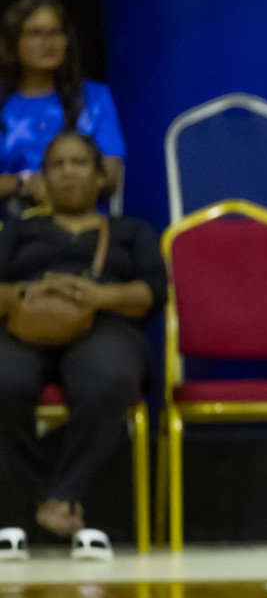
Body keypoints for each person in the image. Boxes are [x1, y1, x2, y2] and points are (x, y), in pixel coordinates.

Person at [0, 132, 164, 542]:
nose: (68, 173)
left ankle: (61, 495)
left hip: (105, 323)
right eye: (57, 165)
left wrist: (99, 295)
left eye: (79, 163)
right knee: (4, 379)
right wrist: (23, 293)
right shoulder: (18, 231)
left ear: (100, 178)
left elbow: (154, 292)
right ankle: (49, 496)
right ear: (43, 178)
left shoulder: (132, 231)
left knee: (107, 378)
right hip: (25, 324)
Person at [0, 0, 125, 215]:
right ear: (12, 42)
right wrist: (23, 183)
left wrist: (54, 185)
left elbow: (110, 176)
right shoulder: (4, 105)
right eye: (36, 33)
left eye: (55, 32)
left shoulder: (94, 97)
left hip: (84, 229)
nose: (48, 42)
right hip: (10, 235)